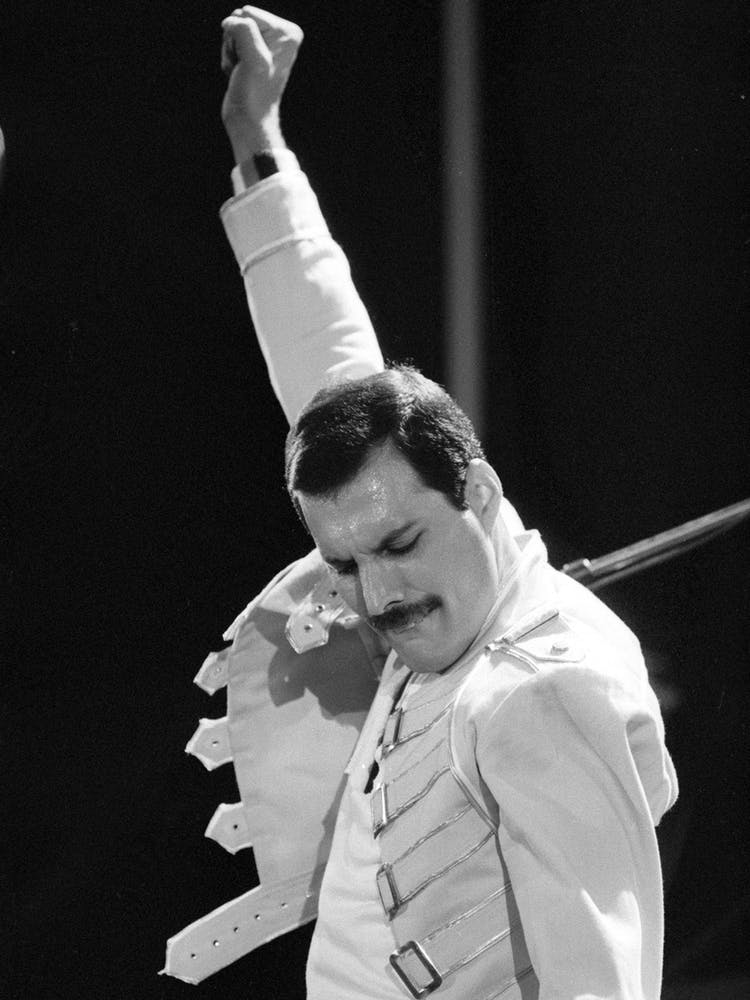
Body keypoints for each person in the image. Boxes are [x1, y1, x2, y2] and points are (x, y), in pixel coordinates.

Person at [165, 8, 678, 998]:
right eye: (347, 562)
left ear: (477, 491)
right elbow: (330, 358)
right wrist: (257, 143)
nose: (378, 595)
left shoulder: (541, 690)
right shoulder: (421, 541)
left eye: (399, 543)